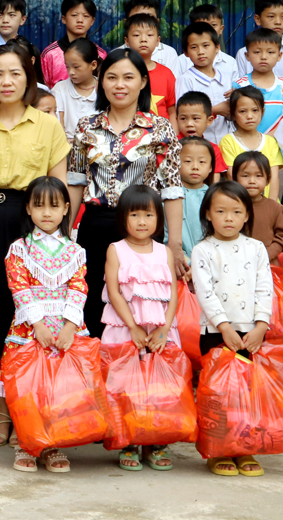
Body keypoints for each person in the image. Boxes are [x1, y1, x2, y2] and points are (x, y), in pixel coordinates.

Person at [0, 41, 71, 451]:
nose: (7, 81)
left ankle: (34, 413)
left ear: (29, 78)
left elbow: (58, 189)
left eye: (15, 74)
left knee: (33, 318)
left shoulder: (48, 126)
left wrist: (61, 240)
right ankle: (3, 416)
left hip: (33, 225)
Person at [68, 49, 184, 336]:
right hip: (95, 228)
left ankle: (138, 376)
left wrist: (176, 244)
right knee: (93, 302)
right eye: (112, 77)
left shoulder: (160, 128)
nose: (120, 85)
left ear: (143, 82)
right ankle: (97, 373)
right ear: (101, 82)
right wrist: (64, 232)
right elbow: (74, 182)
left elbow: (171, 188)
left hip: (142, 229)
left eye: (128, 77)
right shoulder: (87, 126)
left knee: (142, 306)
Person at [1, 176, 88, 474]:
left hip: (64, 329)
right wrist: (37, 323)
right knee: (29, 388)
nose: (46, 213)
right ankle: (26, 443)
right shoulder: (19, 249)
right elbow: (19, 287)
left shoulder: (75, 251)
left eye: (54, 206)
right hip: (30, 329)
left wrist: (69, 326)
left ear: (66, 209)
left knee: (58, 391)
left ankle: (53, 443)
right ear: (28, 209)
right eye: (39, 206)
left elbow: (79, 287)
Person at [190, 180, 273, 477]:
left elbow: (266, 288)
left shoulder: (256, 248)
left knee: (247, 395)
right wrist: (223, 327)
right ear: (208, 214)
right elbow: (204, 291)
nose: (228, 218)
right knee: (219, 396)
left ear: (247, 215)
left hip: (250, 333)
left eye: (236, 211)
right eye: (221, 211)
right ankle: (219, 450)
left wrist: (262, 324)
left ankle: (245, 448)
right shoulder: (203, 250)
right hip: (216, 332)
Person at [101, 185, 181, 472]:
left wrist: (164, 329)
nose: (142, 221)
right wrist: (133, 327)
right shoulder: (116, 250)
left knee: (158, 388)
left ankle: (157, 441)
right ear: (123, 217)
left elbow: (172, 294)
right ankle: (129, 442)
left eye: (148, 214)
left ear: (158, 218)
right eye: (134, 214)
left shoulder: (164, 252)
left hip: (159, 331)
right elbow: (113, 292)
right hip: (126, 328)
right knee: (127, 388)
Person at [176, 21, 235, 142]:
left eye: (206, 45)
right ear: (186, 53)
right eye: (194, 47)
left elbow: (231, 116)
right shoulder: (186, 80)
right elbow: (183, 113)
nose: (200, 51)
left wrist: (236, 101)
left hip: (225, 142)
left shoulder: (227, 78)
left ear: (217, 48)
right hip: (198, 144)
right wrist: (215, 110)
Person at [220, 86, 282, 198]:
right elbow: (231, 174)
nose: (249, 116)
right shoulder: (228, 141)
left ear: (262, 112)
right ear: (233, 114)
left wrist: (271, 207)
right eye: (242, 111)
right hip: (241, 205)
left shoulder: (270, 142)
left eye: (255, 110)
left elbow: (274, 177)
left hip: (268, 205)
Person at [40, 0, 105, 89]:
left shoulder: (100, 54)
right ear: (64, 19)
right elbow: (44, 90)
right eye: (74, 15)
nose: (80, 20)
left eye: (86, 16)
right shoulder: (50, 54)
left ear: (92, 21)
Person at [232, 151, 283, 264]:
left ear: (268, 180)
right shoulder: (230, 207)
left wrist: (265, 255)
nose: (252, 181)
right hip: (236, 262)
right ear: (235, 179)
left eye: (258, 176)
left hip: (268, 265)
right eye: (245, 176)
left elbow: (281, 237)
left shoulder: (275, 208)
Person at [125, 14, 176, 126]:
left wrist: (173, 138)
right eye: (137, 35)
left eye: (149, 35)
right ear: (127, 41)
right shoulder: (121, 72)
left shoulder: (166, 74)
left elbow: (172, 112)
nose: (143, 39)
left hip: (161, 137)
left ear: (158, 41)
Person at [232, 28, 283, 135]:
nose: (263, 57)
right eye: (257, 52)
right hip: (249, 147)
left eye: (270, 52)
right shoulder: (239, 85)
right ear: (247, 56)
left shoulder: (281, 85)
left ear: (279, 56)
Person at [116, 0, 182, 76]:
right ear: (126, 22)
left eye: (149, 17)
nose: (143, 22)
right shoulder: (116, 55)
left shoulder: (168, 53)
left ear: (157, 22)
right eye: (137, 18)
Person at [50, 39, 99, 140]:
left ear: (93, 65)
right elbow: (59, 123)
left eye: (76, 67)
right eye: (67, 67)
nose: (71, 72)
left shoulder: (104, 88)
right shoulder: (60, 89)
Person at [179, 136, 215, 266]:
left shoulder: (215, 197)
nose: (195, 167)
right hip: (180, 263)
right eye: (188, 161)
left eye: (202, 162)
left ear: (211, 167)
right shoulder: (170, 196)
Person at [177, 92, 228, 176]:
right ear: (177, 120)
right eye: (183, 118)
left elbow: (214, 181)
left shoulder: (213, 149)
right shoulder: (170, 146)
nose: (189, 124)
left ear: (209, 120)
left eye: (195, 118)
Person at [235, 0, 283, 79]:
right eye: (271, 16)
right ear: (258, 19)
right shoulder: (243, 53)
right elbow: (240, 86)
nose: (278, 22)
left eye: (282, 17)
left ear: (280, 55)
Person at [189, 4, 238, 77]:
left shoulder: (230, 62)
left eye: (213, 25)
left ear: (221, 29)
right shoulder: (183, 61)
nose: (208, 30)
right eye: (202, 25)